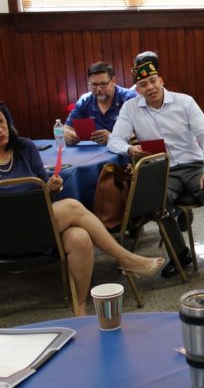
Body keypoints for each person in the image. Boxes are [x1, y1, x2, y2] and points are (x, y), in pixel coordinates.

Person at [0, 103, 164, 316]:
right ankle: (125, 259)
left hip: (39, 228)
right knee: (72, 207)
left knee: (80, 238)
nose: (0, 131)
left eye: (1, 123)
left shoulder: (25, 147)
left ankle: (80, 309)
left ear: (8, 123)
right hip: (5, 235)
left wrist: (51, 188)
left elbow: (44, 192)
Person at [108, 51, 204, 278]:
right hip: (162, 170)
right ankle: (180, 254)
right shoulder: (130, 108)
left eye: (153, 81)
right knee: (154, 201)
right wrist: (130, 149)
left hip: (193, 165)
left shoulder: (184, 101)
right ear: (138, 90)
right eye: (143, 84)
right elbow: (114, 140)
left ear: (161, 81)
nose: (149, 87)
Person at [64, 62, 137, 145]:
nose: (98, 89)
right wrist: (68, 134)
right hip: (92, 154)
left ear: (113, 81)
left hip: (125, 154)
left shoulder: (130, 99)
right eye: (94, 85)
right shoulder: (84, 101)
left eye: (103, 84)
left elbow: (141, 134)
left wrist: (112, 138)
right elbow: (66, 128)